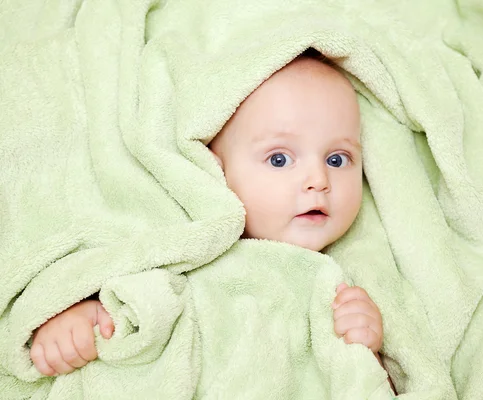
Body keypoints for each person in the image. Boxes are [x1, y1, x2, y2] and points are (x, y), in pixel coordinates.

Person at [30, 52, 387, 383]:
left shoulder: (344, 283)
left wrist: (365, 343)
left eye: (337, 159)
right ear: (215, 168)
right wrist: (86, 318)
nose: (318, 181)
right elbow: (132, 294)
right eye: (279, 159)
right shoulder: (182, 245)